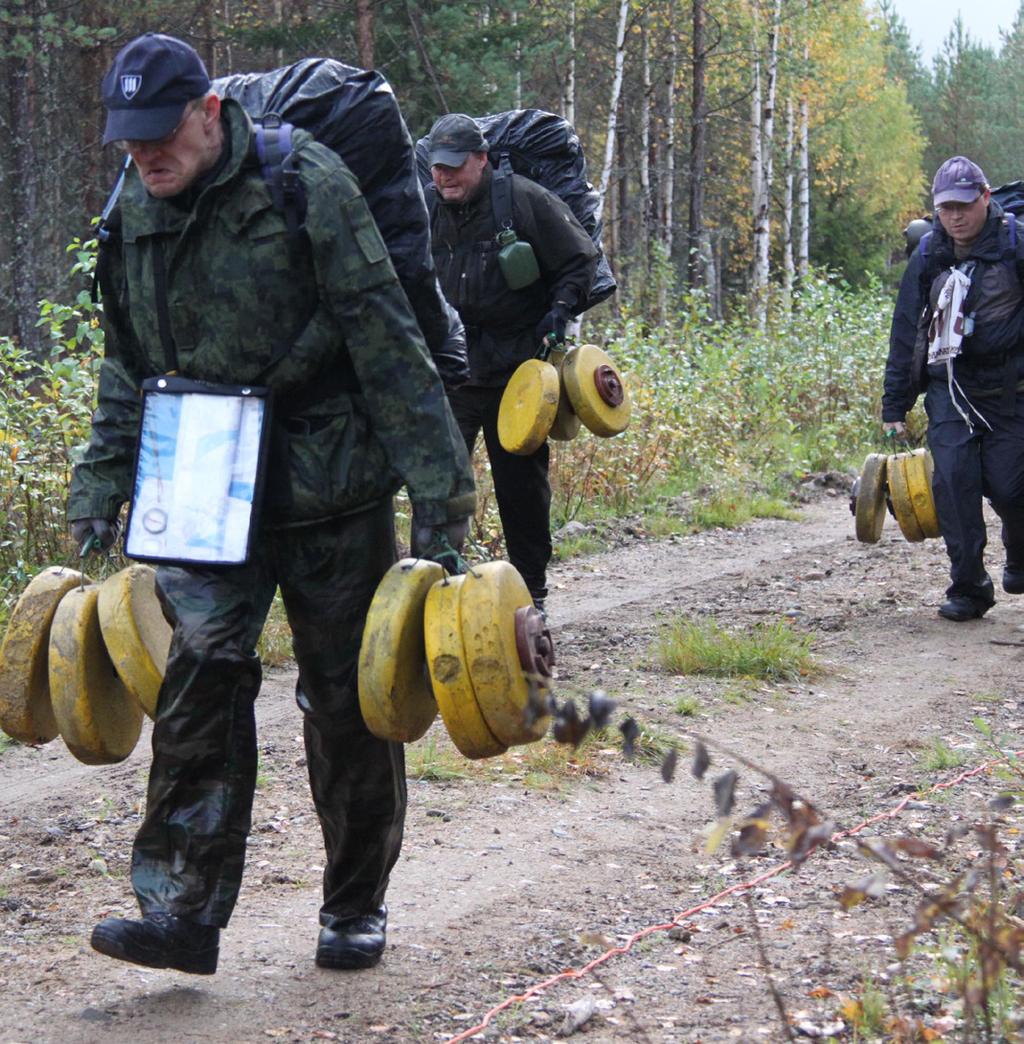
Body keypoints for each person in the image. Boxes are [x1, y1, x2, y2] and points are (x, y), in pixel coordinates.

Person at [67, 33, 474, 975]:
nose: (146, 159)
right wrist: (100, 482)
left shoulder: (306, 184)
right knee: (198, 680)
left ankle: (353, 905)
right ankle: (180, 910)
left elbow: (386, 334)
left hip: (326, 475)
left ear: (209, 112)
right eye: (129, 145)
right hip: (203, 478)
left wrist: (442, 498)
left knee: (345, 698)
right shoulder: (133, 208)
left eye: (160, 137)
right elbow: (127, 363)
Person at [425, 113, 600, 614]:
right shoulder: (425, 210)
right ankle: (435, 590)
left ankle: (530, 595)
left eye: (455, 166)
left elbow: (578, 259)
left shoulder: (521, 199)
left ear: (481, 160)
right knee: (439, 484)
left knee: (521, 491)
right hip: (453, 373)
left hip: (517, 374)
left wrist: (560, 310)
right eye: (438, 167)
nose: (444, 176)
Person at [882, 155, 1024, 622]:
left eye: (964, 205)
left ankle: (1019, 554)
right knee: (954, 485)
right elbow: (906, 331)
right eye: (945, 207)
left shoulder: (1015, 244)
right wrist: (895, 404)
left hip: (1011, 390)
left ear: (985, 198)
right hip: (950, 388)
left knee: (1010, 487)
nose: (955, 216)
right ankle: (969, 588)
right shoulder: (928, 254)